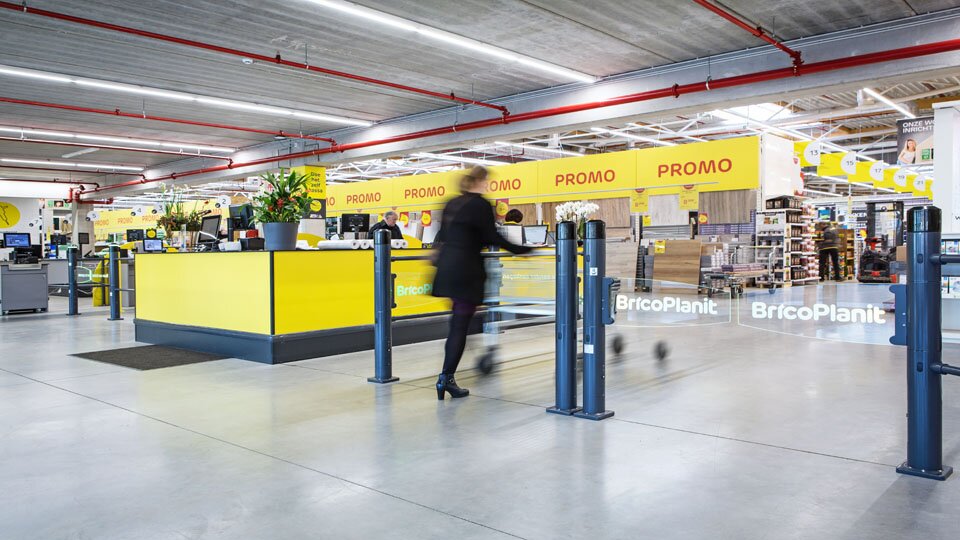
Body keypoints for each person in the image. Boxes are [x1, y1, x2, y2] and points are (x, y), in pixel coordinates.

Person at [431, 166, 531, 400]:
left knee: (458, 324)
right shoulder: (481, 204)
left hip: (447, 270)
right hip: (466, 272)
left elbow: (442, 235)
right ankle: (446, 378)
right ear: (480, 181)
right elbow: (492, 237)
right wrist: (523, 250)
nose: (488, 185)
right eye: (487, 181)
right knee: (459, 327)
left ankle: (447, 377)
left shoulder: (452, 203)